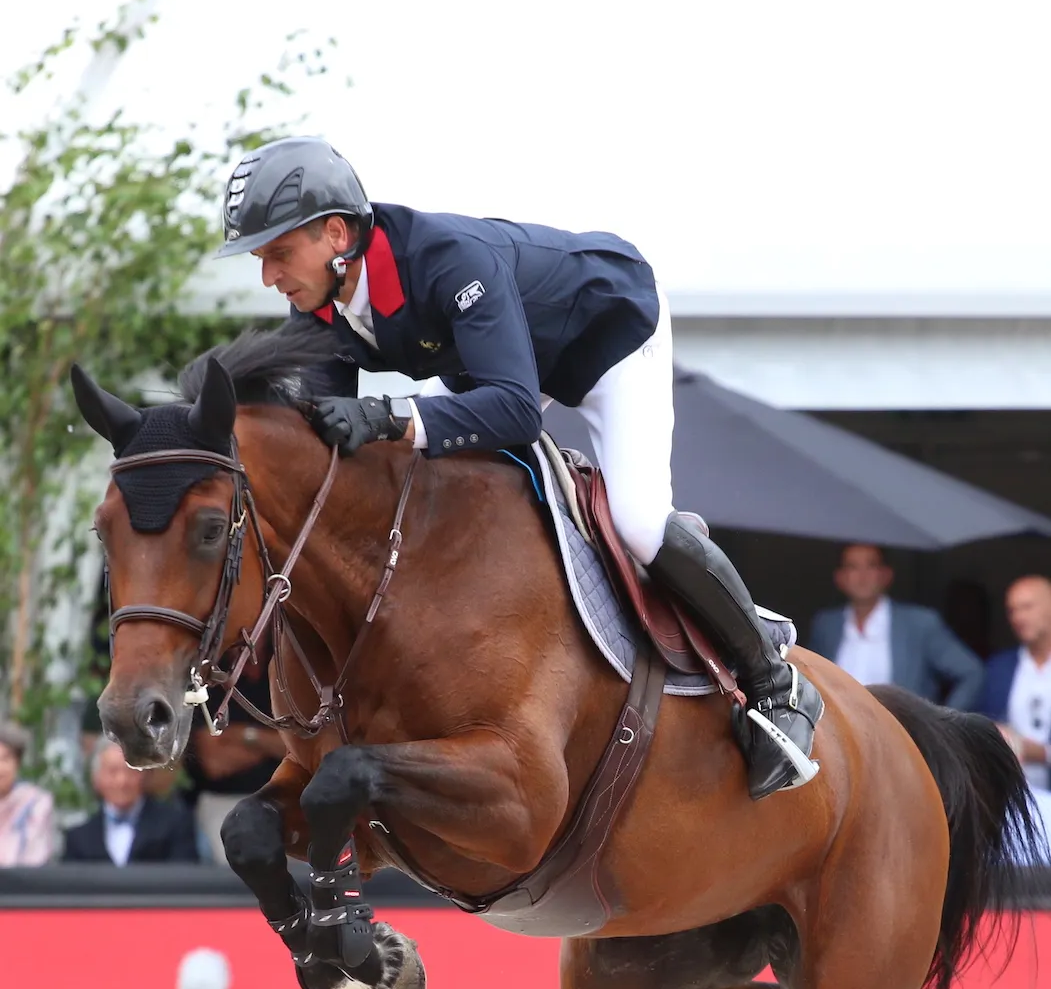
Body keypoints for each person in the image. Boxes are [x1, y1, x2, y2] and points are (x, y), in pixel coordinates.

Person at [214, 137, 822, 801]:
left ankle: (774, 677)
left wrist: (388, 416)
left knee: (639, 522)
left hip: (607, 340)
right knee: (410, 473)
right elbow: (326, 448)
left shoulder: (446, 260)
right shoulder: (321, 299)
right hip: (500, 366)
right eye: (261, 259)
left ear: (336, 234)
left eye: (278, 253)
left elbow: (515, 411)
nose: (268, 276)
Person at [808, 543, 984, 709]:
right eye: (853, 567)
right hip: (838, 728)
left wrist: (942, 723)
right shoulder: (826, 625)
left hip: (898, 729)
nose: (862, 575)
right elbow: (810, 679)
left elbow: (971, 672)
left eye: (871, 565)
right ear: (840, 578)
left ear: (886, 575)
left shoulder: (919, 623)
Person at [185, 653, 284, 864]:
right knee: (235, 869)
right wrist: (270, 745)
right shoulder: (208, 676)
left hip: (283, 798)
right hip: (222, 801)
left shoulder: (285, 670)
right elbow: (214, 762)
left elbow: (297, 747)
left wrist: (244, 736)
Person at [63, 739, 199, 864]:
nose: (122, 781)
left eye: (130, 771)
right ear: (96, 778)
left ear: (144, 774)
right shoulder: (78, 838)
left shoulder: (175, 825)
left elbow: (184, 876)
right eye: (112, 772)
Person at [982, 575, 1051, 788]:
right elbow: (981, 721)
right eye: (1012, 610)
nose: (1018, 617)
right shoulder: (999, 667)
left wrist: (1042, 753)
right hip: (1009, 792)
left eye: (1027, 607)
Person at [0, 722, 54, 866]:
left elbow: (35, 857)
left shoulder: (35, 803)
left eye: (5, 759)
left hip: (21, 878)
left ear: (17, 763)